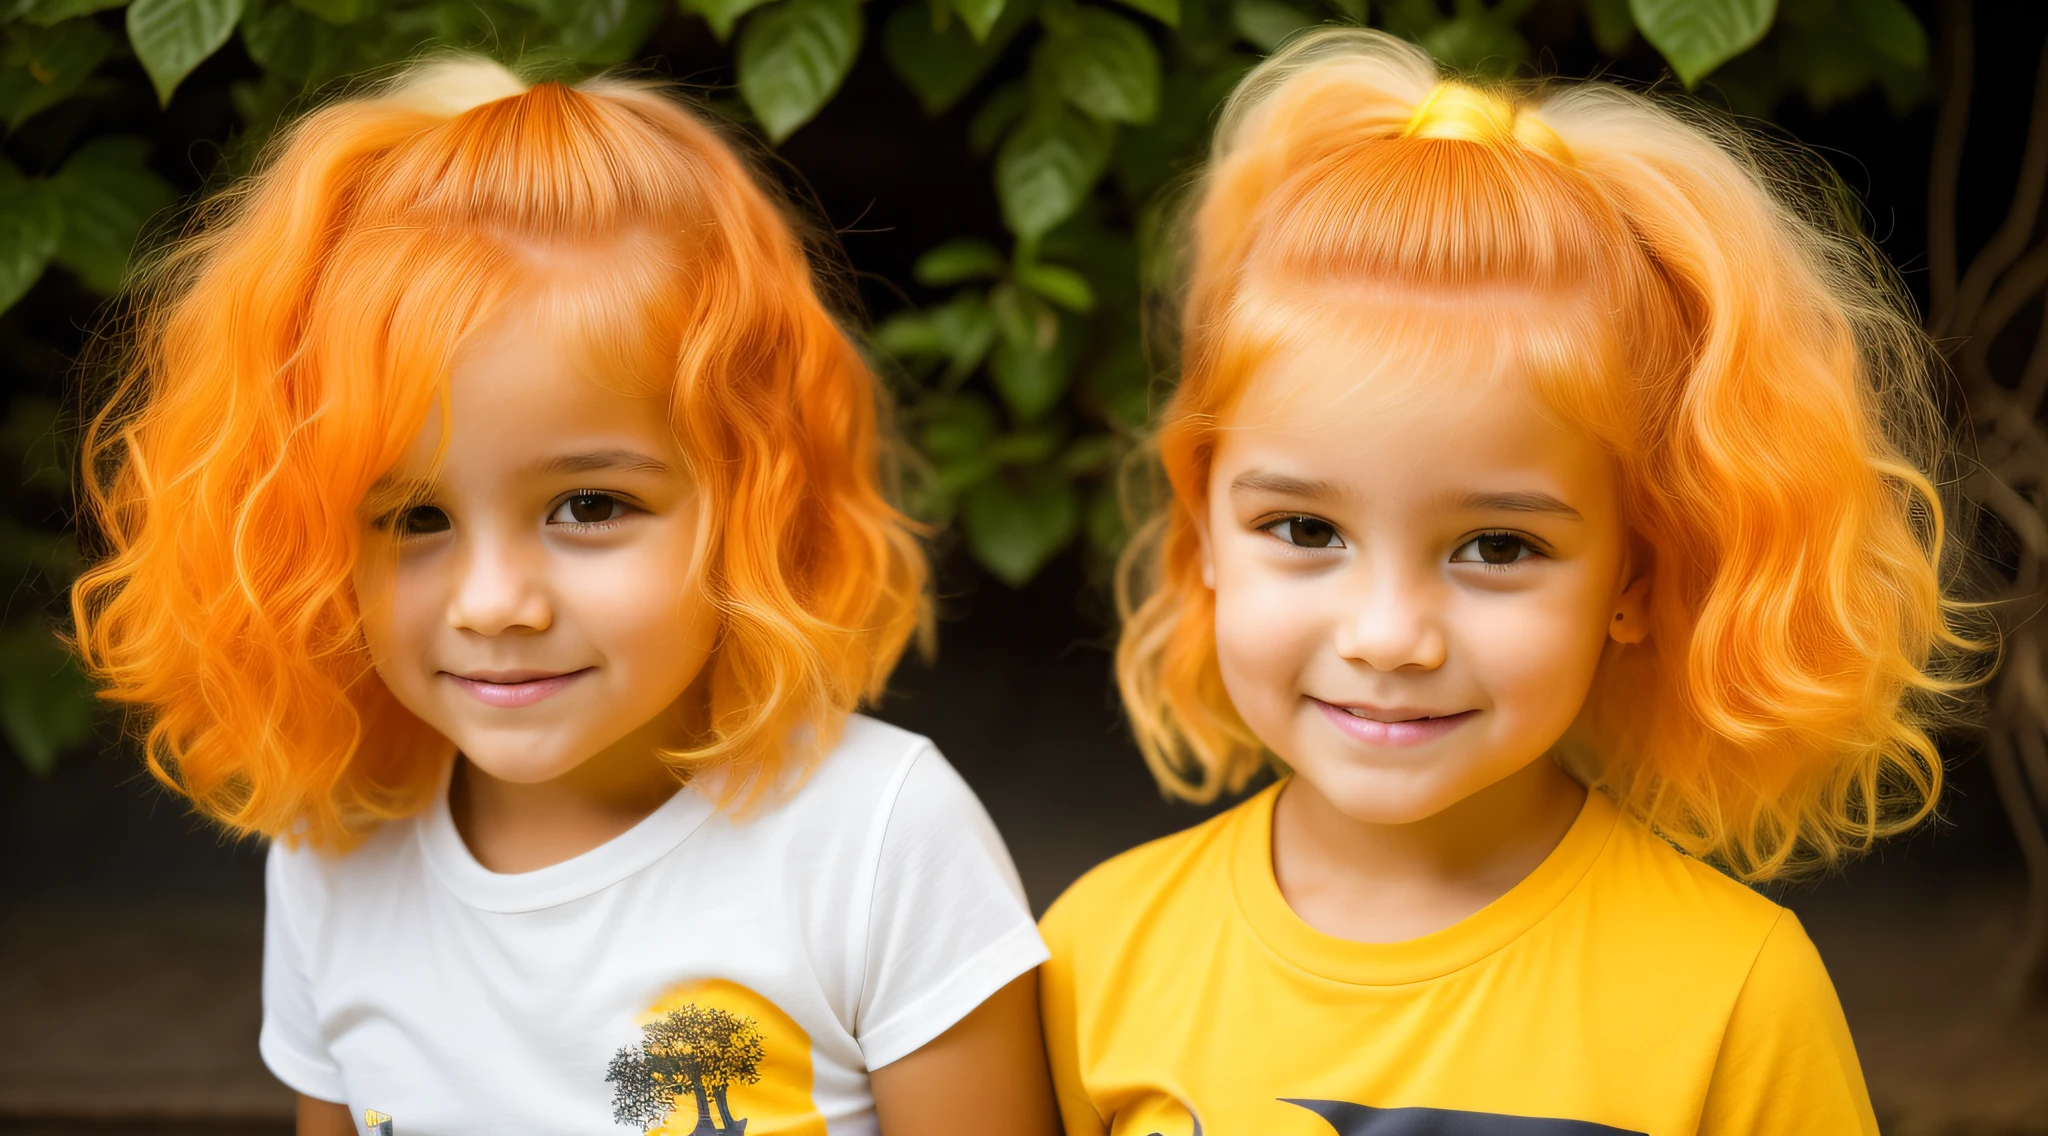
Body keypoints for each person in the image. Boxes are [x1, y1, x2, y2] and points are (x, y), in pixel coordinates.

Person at [70, 57, 1057, 1136]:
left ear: (754, 498)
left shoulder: (878, 837)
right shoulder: (333, 849)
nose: (494, 602)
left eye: (588, 505)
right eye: (412, 518)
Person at [1039, 28, 1984, 1135]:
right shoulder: (1091, 952)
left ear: (1632, 574)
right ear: (1201, 531)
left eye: (1495, 546)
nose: (1389, 634)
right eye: (1303, 527)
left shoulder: (1734, 992)